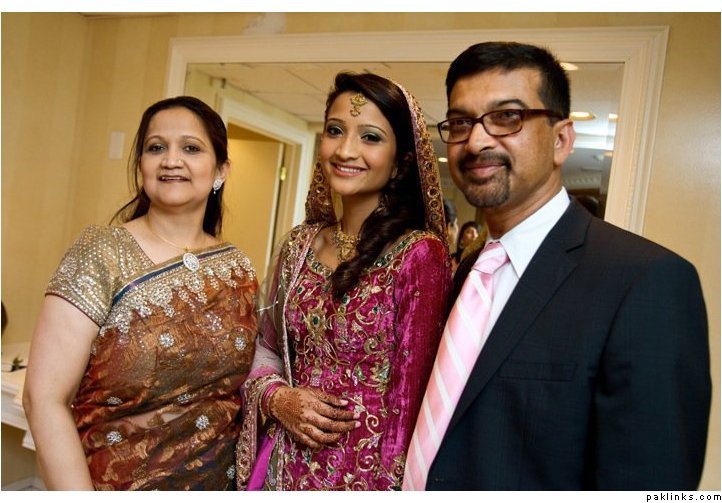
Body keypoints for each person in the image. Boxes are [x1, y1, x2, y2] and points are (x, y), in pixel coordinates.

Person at [403, 41, 711, 490]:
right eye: (461, 122)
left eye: (507, 117)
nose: (477, 141)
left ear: (562, 140)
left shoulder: (645, 281)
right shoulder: (468, 274)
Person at [23, 96, 258, 490]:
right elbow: (43, 398)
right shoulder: (102, 253)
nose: (171, 160)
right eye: (156, 147)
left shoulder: (238, 268)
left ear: (221, 170)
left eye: (191, 148)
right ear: (141, 165)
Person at [236, 72, 451, 490]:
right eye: (335, 131)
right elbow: (266, 348)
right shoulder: (299, 245)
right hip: (282, 469)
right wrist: (278, 399)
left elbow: (410, 405)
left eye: (370, 137)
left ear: (401, 161)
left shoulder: (419, 255)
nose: (345, 150)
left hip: (365, 479)